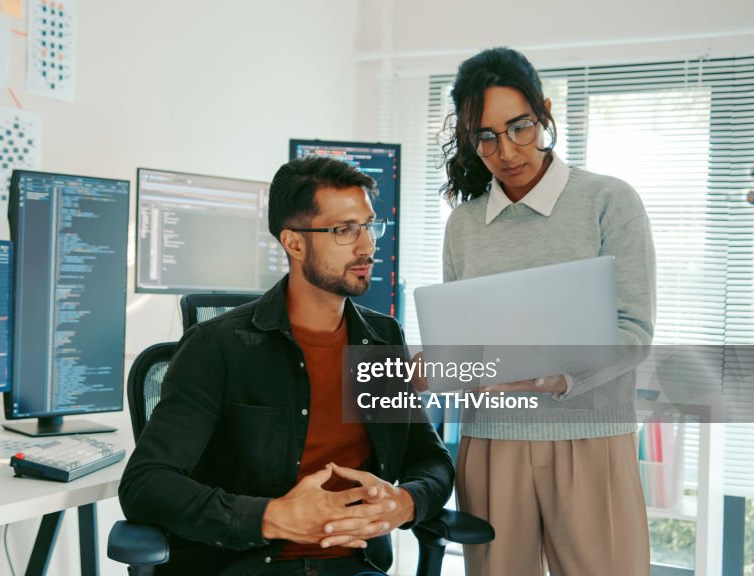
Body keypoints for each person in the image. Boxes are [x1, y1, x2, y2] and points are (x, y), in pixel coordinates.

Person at [119, 156, 454, 576]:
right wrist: (272, 517)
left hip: (355, 567)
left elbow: (431, 460)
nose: (368, 246)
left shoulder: (381, 339)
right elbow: (145, 484)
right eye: (345, 230)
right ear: (294, 244)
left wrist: (405, 502)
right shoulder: (217, 346)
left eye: (370, 226)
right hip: (246, 568)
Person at [420, 47, 657, 575]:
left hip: (591, 441)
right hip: (492, 444)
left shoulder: (608, 201)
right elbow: (463, 342)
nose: (506, 151)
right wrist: (438, 364)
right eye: (486, 136)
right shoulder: (463, 225)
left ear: (544, 114)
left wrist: (557, 377)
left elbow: (634, 332)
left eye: (520, 127)